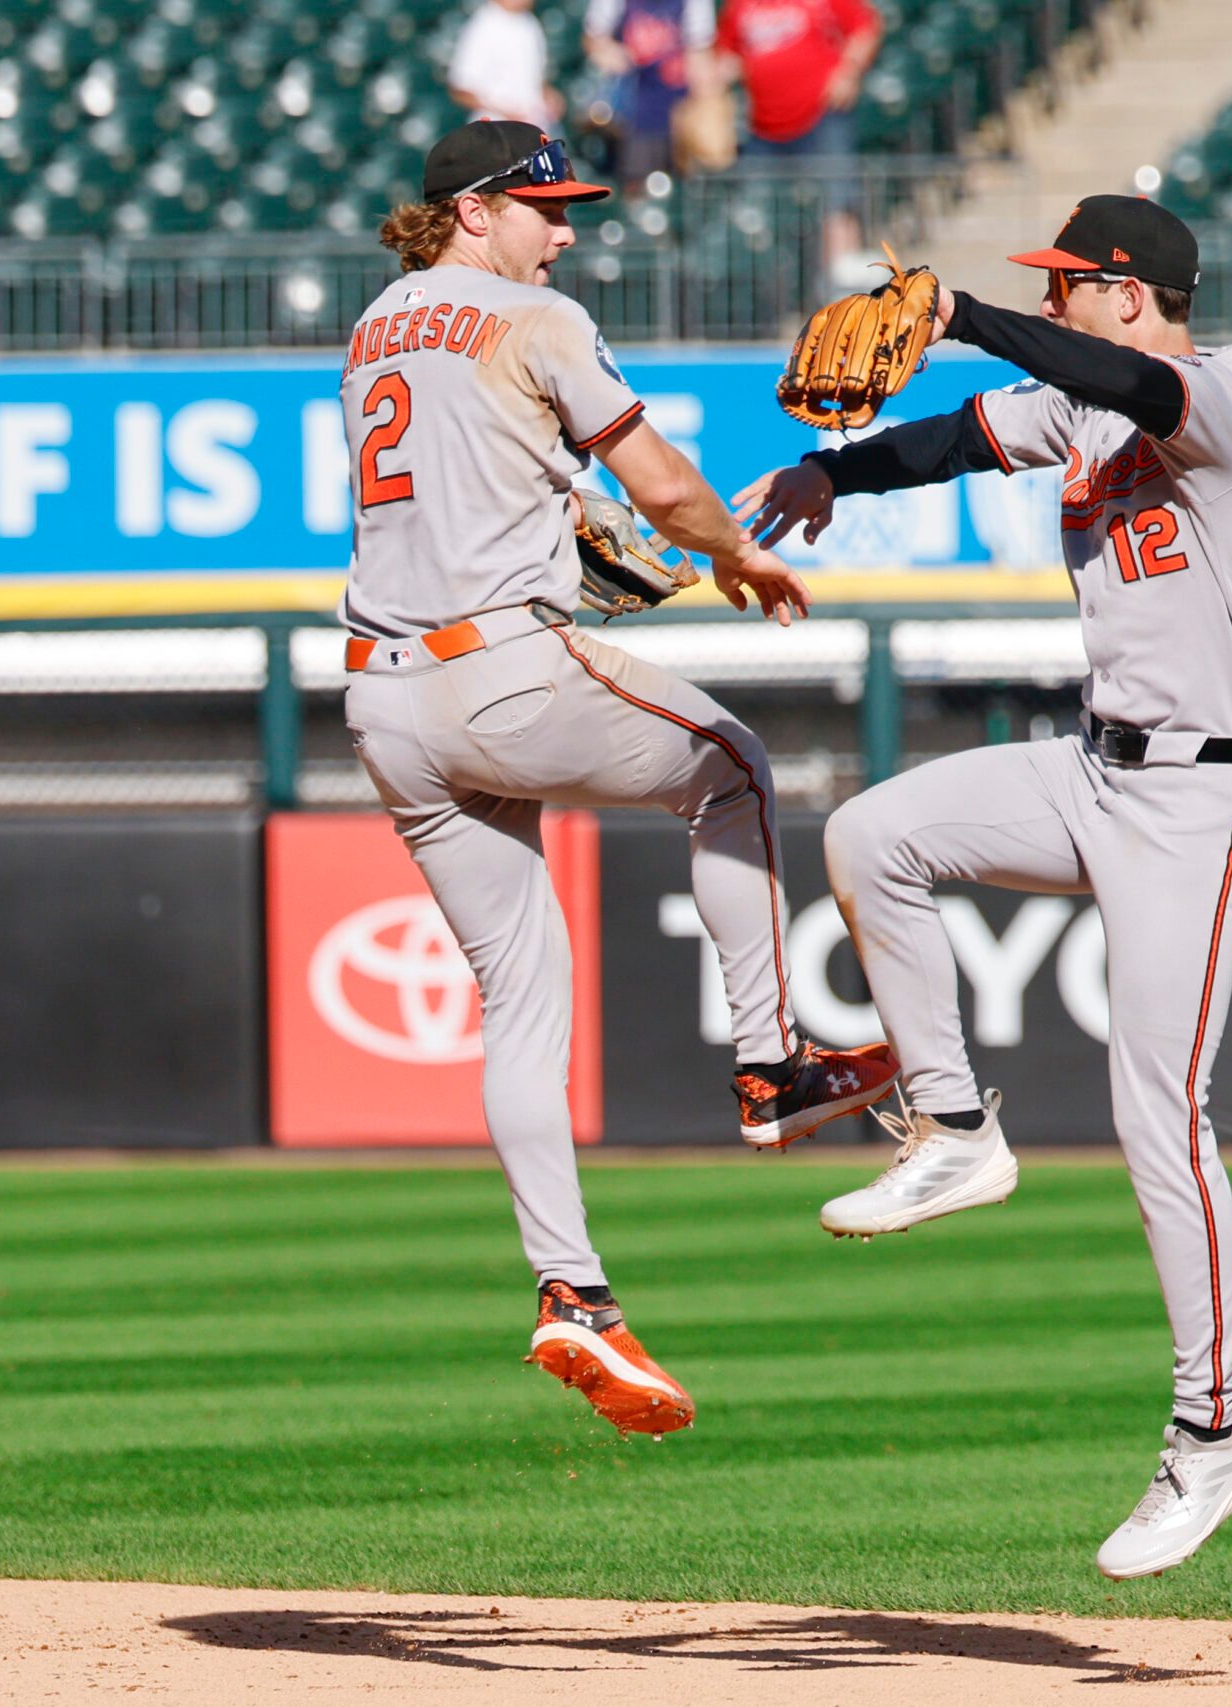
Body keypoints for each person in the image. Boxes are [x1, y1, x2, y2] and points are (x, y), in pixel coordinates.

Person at [733, 196, 1232, 1576]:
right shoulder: (1086, 414)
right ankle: (957, 1129)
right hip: (1097, 768)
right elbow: (963, 437)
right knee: (874, 835)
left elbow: (1129, 381)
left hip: (1200, 795)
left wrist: (968, 318)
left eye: (1064, 288)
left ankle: (1211, 1430)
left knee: (1157, 1110)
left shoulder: (1221, 394)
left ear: (1126, 290)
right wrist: (834, 474)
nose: (1049, 305)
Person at [339, 119, 901, 1437]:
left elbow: (478, 482)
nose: (567, 227)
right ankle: (774, 1065)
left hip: (383, 695)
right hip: (503, 671)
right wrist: (734, 560)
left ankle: (575, 1291)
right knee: (737, 771)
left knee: (521, 1000)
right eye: (543, 205)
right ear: (473, 212)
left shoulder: (373, 326)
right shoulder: (538, 319)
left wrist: (561, 535)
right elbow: (660, 482)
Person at [713, 0, 876, 280]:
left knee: (836, 200)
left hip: (822, 114)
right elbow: (726, 54)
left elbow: (865, 29)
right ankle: (771, 292)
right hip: (762, 126)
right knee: (756, 209)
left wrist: (848, 71)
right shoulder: (741, 5)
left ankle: (843, 291)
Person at [583, 0, 715, 193]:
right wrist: (612, 54)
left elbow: (700, 51)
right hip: (634, 111)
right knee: (636, 189)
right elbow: (593, 39)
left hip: (678, 109)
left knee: (685, 190)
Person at [448, 0, 562, 129]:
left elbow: (534, 78)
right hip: (494, 131)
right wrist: (505, 113)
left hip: (533, 126)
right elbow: (460, 91)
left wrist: (548, 94)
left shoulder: (530, 23)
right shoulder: (482, 26)